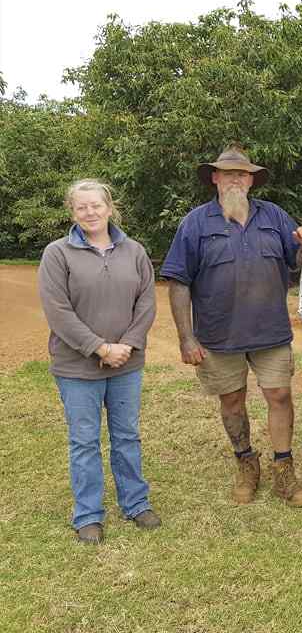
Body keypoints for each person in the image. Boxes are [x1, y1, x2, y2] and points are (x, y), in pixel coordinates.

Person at [160, 143, 302, 508]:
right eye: (228, 173)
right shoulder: (195, 223)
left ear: (251, 180)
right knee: (231, 400)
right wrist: (186, 337)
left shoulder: (274, 216)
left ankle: (284, 470)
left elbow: (297, 265)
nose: (235, 180)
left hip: (270, 331)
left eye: (242, 174)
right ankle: (246, 463)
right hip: (217, 335)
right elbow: (178, 281)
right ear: (214, 178)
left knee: (279, 395)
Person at [38, 179, 159, 545]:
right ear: (71, 212)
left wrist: (127, 345)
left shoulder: (134, 251)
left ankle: (136, 503)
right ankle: (88, 514)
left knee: (126, 436)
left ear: (110, 207)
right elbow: (58, 311)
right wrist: (100, 348)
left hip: (127, 364)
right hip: (77, 367)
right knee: (85, 441)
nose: (90, 212)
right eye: (81, 207)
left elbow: (146, 303)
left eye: (96, 205)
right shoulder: (57, 254)